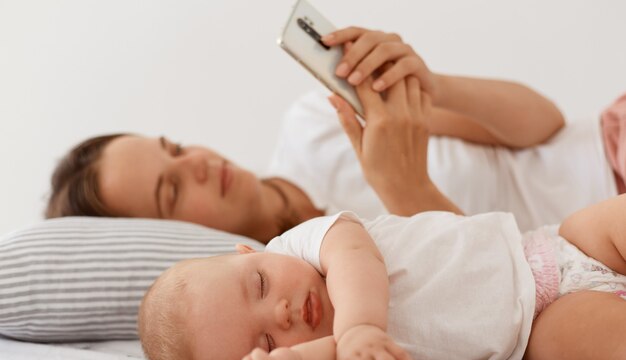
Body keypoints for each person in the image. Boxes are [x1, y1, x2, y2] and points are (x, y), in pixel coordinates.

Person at [44, 27, 581, 242]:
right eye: (172, 190)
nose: (197, 165)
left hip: (598, 156)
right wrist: (407, 190)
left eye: (176, 149)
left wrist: (431, 84)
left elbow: (546, 122)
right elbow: (511, 286)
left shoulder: (314, 121)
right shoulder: (310, 281)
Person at [138, 186, 626, 360]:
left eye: (260, 285)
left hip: (554, 245)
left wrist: (359, 330)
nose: (282, 313)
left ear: (252, 251)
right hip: (537, 329)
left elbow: (357, 259)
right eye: (265, 342)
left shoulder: (310, 242)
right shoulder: (346, 353)